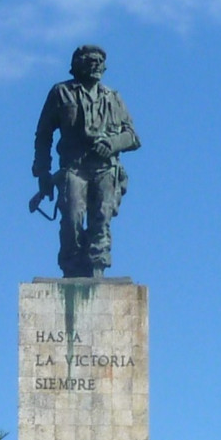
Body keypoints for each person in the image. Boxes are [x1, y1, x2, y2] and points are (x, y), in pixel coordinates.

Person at [31, 44, 141, 278]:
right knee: (72, 218)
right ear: (77, 65)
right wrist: (42, 172)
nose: (96, 65)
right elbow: (43, 135)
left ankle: (97, 269)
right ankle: (71, 270)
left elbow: (132, 136)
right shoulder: (61, 93)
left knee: (101, 218)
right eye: (90, 60)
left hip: (105, 168)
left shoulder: (113, 97)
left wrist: (111, 144)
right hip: (74, 168)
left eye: (100, 61)